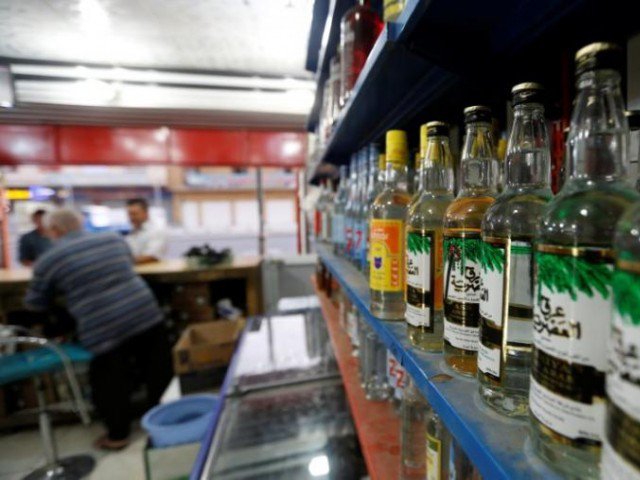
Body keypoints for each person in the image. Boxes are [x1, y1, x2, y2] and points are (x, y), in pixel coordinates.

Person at [24, 208, 172, 450]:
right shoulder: (113, 239)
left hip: (103, 327)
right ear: (80, 223)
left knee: (108, 380)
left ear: (54, 231)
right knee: (157, 371)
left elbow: (34, 303)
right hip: (144, 312)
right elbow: (127, 263)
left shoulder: (49, 260)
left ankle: (118, 436)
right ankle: (166, 421)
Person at [125, 198, 167, 264]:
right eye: (129, 214)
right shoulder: (131, 234)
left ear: (146, 213)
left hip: (153, 273)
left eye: (135, 214)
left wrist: (121, 262)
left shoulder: (156, 231)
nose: (131, 217)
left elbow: (151, 256)